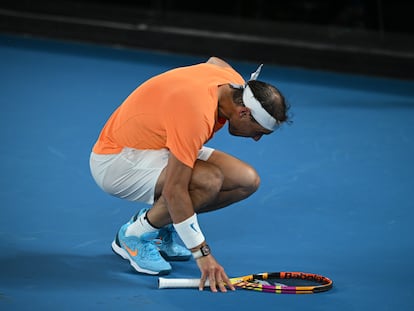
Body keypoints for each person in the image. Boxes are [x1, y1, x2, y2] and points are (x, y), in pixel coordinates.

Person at [89, 56, 289, 293]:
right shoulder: (196, 115)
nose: (256, 139)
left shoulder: (233, 83)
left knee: (246, 180)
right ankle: (133, 236)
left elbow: (216, 61)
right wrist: (203, 254)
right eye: (259, 132)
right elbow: (175, 190)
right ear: (244, 113)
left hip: (156, 143)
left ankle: (160, 226)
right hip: (117, 161)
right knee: (207, 181)